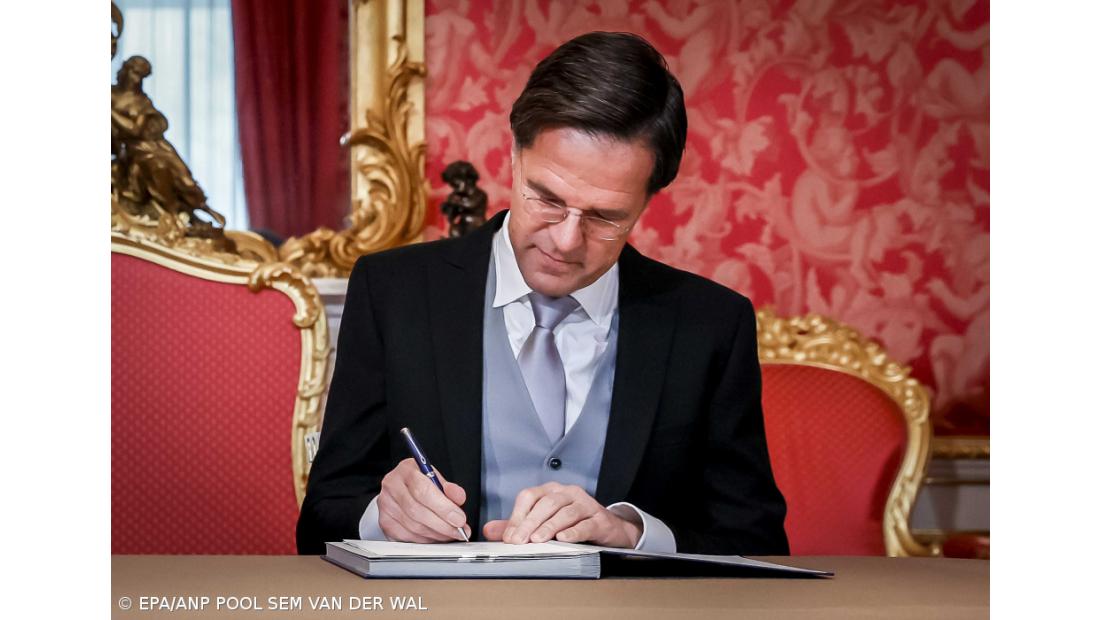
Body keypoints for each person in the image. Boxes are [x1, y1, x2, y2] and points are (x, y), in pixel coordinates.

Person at [296, 32, 788, 556]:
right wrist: (383, 516)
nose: (566, 240)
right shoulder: (393, 292)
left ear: (648, 201)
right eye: (546, 198)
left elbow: (758, 541)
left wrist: (633, 535)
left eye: (605, 217)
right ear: (514, 155)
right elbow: (321, 518)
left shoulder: (711, 325)